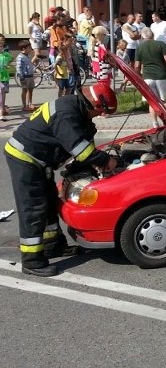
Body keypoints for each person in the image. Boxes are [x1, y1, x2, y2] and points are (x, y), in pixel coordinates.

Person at [4, 83, 119, 277]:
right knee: (33, 209)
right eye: (100, 112)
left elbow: (81, 145)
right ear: (94, 105)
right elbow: (80, 150)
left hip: (39, 160)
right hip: (25, 158)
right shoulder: (66, 114)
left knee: (49, 202)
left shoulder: (74, 108)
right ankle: (32, 261)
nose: (100, 116)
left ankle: (53, 246)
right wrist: (106, 161)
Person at [135, 27, 166, 127]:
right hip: (162, 76)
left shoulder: (140, 47)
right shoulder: (160, 44)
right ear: (152, 35)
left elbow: (136, 65)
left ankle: (155, 123)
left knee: (152, 102)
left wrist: (138, 75)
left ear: (142, 36)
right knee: (163, 100)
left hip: (148, 77)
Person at [14, 39, 36, 111]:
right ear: (24, 48)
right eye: (29, 48)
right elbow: (18, 67)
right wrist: (21, 76)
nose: (30, 49)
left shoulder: (27, 56)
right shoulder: (20, 57)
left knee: (31, 90)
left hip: (30, 76)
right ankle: (24, 105)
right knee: (25, 90)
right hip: (24, 77)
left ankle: (30, 103)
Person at [0, 34, 12, 120]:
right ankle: (2, 112)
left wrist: (8, 64)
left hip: (5, 77)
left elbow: (11, 58)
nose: (2, 42)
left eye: (3, 41)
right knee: (1, 95)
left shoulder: (6, 54)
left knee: (3, 94)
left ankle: (3, 109)